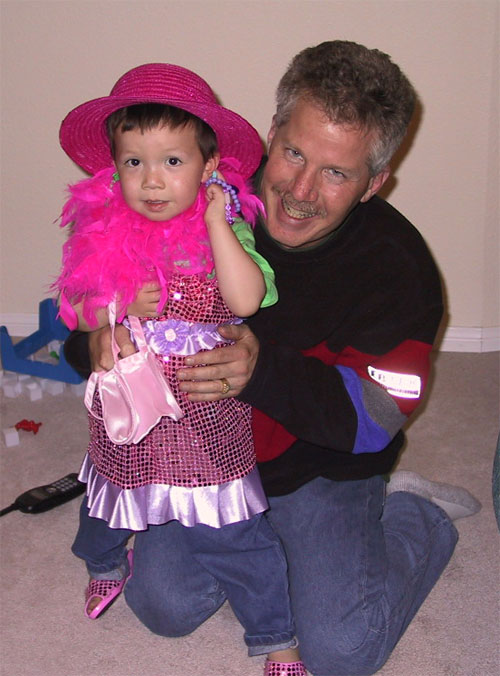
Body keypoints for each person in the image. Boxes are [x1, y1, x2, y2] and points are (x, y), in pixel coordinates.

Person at [65, 42, 481, 676]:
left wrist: (262, 371)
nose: (300, 191)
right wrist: (95, 340)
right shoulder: (185, 188)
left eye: (336, 173)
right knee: (163, 606)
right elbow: (92, 293)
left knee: (341, 651)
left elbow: (375, 419)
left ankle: (416, 515)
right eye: (293, 154)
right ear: (269, 134)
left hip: (320, 466)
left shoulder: (399, 270)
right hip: (194, 451)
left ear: (374, 183)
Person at [55, 63, 306, 676]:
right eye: (133, 162)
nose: (151, 180)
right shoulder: (102, 228)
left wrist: (219, 223)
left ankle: (277, 639)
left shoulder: (228, 227)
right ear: (114, 168)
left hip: (204, 415)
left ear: (209, 165)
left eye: (172, 161)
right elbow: (76, 309)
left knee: (235, 532)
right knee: (106, 506)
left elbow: (245, 300)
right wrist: (110, 314)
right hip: (129, 408)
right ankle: (104, 564)